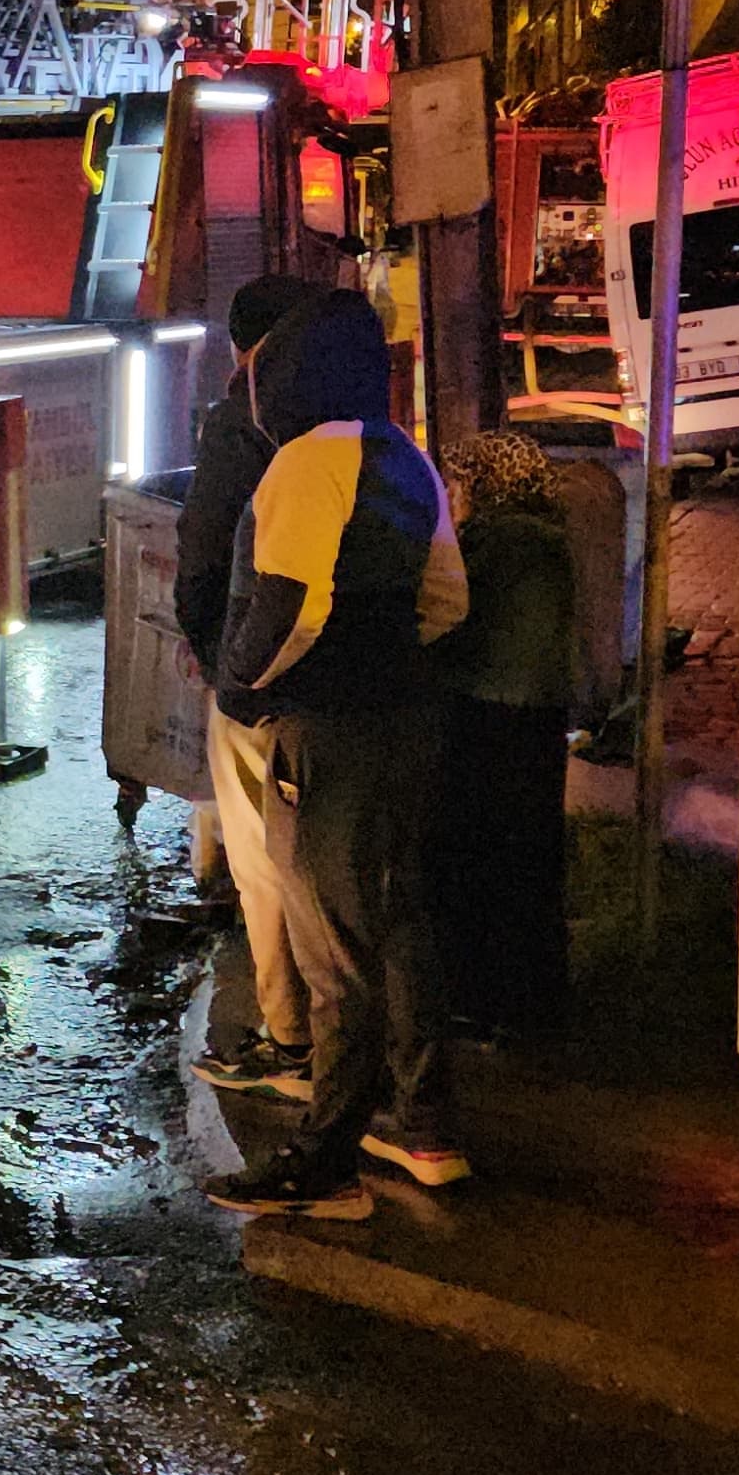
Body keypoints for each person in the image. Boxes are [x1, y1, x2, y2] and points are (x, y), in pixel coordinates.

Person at [201, 289, 472, 1219]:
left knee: (330, 952)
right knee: (399, 922)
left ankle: (325, 1162)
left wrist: (240, 687)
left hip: (327, 733)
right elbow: (446, 600)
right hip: (411, 720)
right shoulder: (408, 459)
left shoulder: (305, 462)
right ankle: (424, 1124)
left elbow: (291, 605)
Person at [175, 273, 323, 1104]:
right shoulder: (356, 429)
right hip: (335, 686)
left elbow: (203, 553)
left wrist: (223, 668)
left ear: (243, 349)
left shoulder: (247, 423)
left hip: (258, 682)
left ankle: (291, 1039)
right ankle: (337, 1035)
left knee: (264, 861)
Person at [427, 430, 579, 1041]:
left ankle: (487, 1001)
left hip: (490, 720)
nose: (451, 496)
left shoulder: (496, 542)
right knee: (531, 863)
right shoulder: (547, 538)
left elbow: (449, 616)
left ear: (484, 485)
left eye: (458, 483)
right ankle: (533, 1004)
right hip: (538, 719)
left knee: (479, 860)